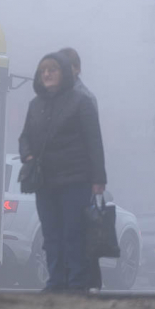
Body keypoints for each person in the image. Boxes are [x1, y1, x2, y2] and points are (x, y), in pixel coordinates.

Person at [19, 52, 106, 293]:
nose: (46, 74)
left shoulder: (81, 102)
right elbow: (24, 137)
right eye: (43, 70)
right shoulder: (35, 105)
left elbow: (94, 141)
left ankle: (77, 283)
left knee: (73, 233)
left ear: (64, 73)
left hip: (74, 180)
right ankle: (55, 281)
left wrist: (99, 179)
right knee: (51, 234)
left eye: (52, 69)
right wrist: (27, 155)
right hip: (45, 182)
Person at [59, 47, 102, 290]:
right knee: (65, 232)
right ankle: (71, 282)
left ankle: (88, 284)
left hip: (77, 176)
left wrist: (96, 177)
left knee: (79, 231)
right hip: (61, 176)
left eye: (67, 66)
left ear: (76, 69)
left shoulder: (84, 97)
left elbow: (92, 140)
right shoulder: (56, 95)